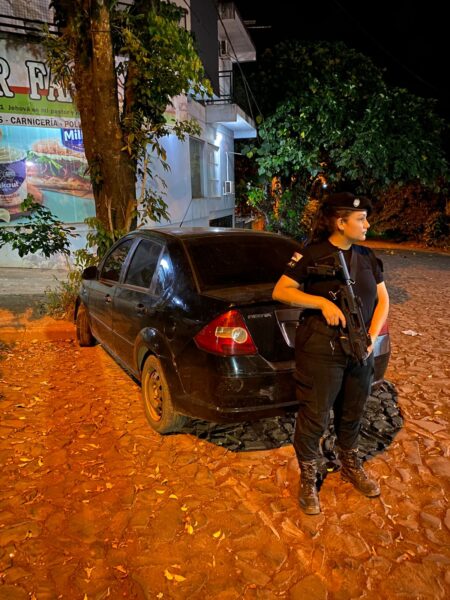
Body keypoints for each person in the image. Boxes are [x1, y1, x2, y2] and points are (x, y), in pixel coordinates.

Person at [272, 192, 390, 515]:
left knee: (354, 410)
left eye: (366, 218)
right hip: (322, 349)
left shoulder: (367, 257)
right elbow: (280, 290)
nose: (367, 224)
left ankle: (349, 460)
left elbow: (384, 301)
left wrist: (371, 337)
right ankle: (309, 475)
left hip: (359, 347)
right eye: (360, 219)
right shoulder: (311, 254)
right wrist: (322, 303)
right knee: (315, 414)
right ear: (341, 223)